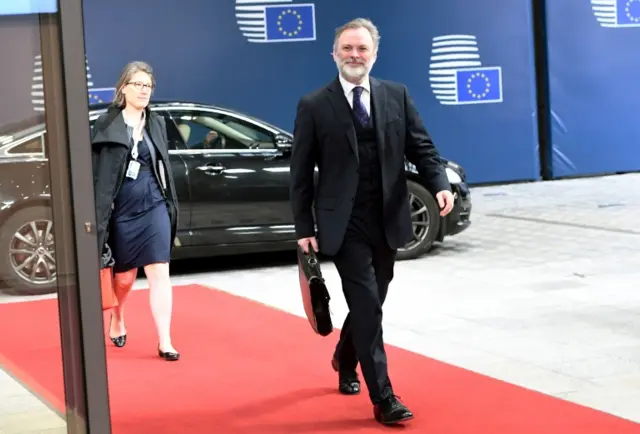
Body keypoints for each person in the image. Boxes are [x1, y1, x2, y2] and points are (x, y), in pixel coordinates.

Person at [289, 18, 454, 425]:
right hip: (342, 224)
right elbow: (300, 172)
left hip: (388, 217)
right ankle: (384, 397)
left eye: (362, 49)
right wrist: (304, 228)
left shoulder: (396, 96)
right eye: (347, 48)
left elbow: (422, 147)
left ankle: (345, 358)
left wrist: (439, 185)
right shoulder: (314, 105)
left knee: (372, 302)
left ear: (374, 54)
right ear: (334, 53)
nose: (354, 55)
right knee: (366, 304)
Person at [91, 61, 181, 361]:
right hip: (121, 209)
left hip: (154, 203)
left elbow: (162, 165)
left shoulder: (155, 122)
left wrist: (168, 203)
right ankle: (117, 317)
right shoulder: (107, 124)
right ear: (123, 88)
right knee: (124, 279)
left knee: (159, 271)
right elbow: (99, 173)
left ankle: (165, 340)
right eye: (138, 84)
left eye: (148, 86)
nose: (144, 90)